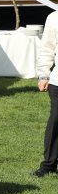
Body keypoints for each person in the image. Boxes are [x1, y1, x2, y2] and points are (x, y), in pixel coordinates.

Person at [36, 9, 58, 177]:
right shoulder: (54, 17)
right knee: (56, 121)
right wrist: (44, 74)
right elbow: (47, 47)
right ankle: (49, 165)